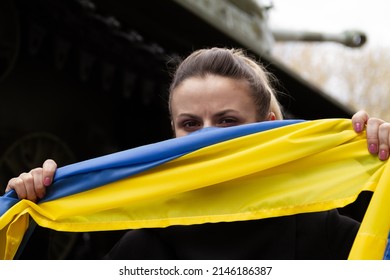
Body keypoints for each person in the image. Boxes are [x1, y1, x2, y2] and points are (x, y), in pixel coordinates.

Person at [4, 47, 390, 259]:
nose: (207, 139)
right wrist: (34, 219)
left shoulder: (323, 234)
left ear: (270, 122)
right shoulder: (150, 243)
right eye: (190, 124)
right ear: (172, 131)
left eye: (226, 121)